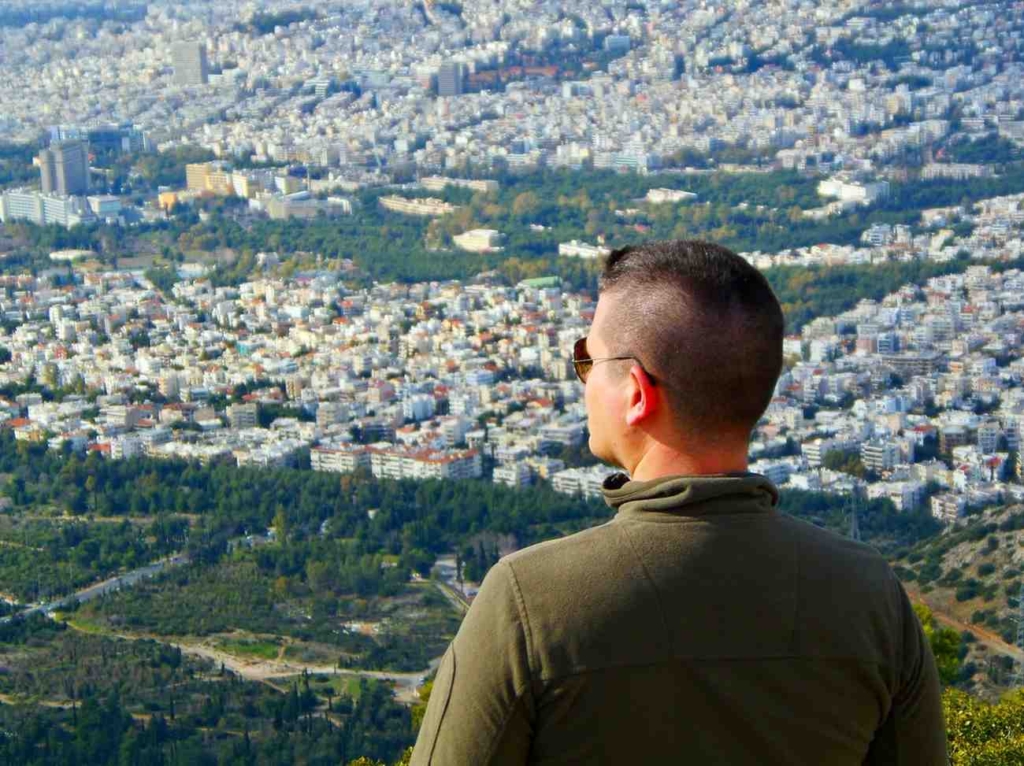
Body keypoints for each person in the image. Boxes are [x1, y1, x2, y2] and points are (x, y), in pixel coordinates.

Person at [410, 240, 947, 765]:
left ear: (637, 393)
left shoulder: (529, 602)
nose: (585, 377)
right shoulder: (871, 597)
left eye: (588, 358)